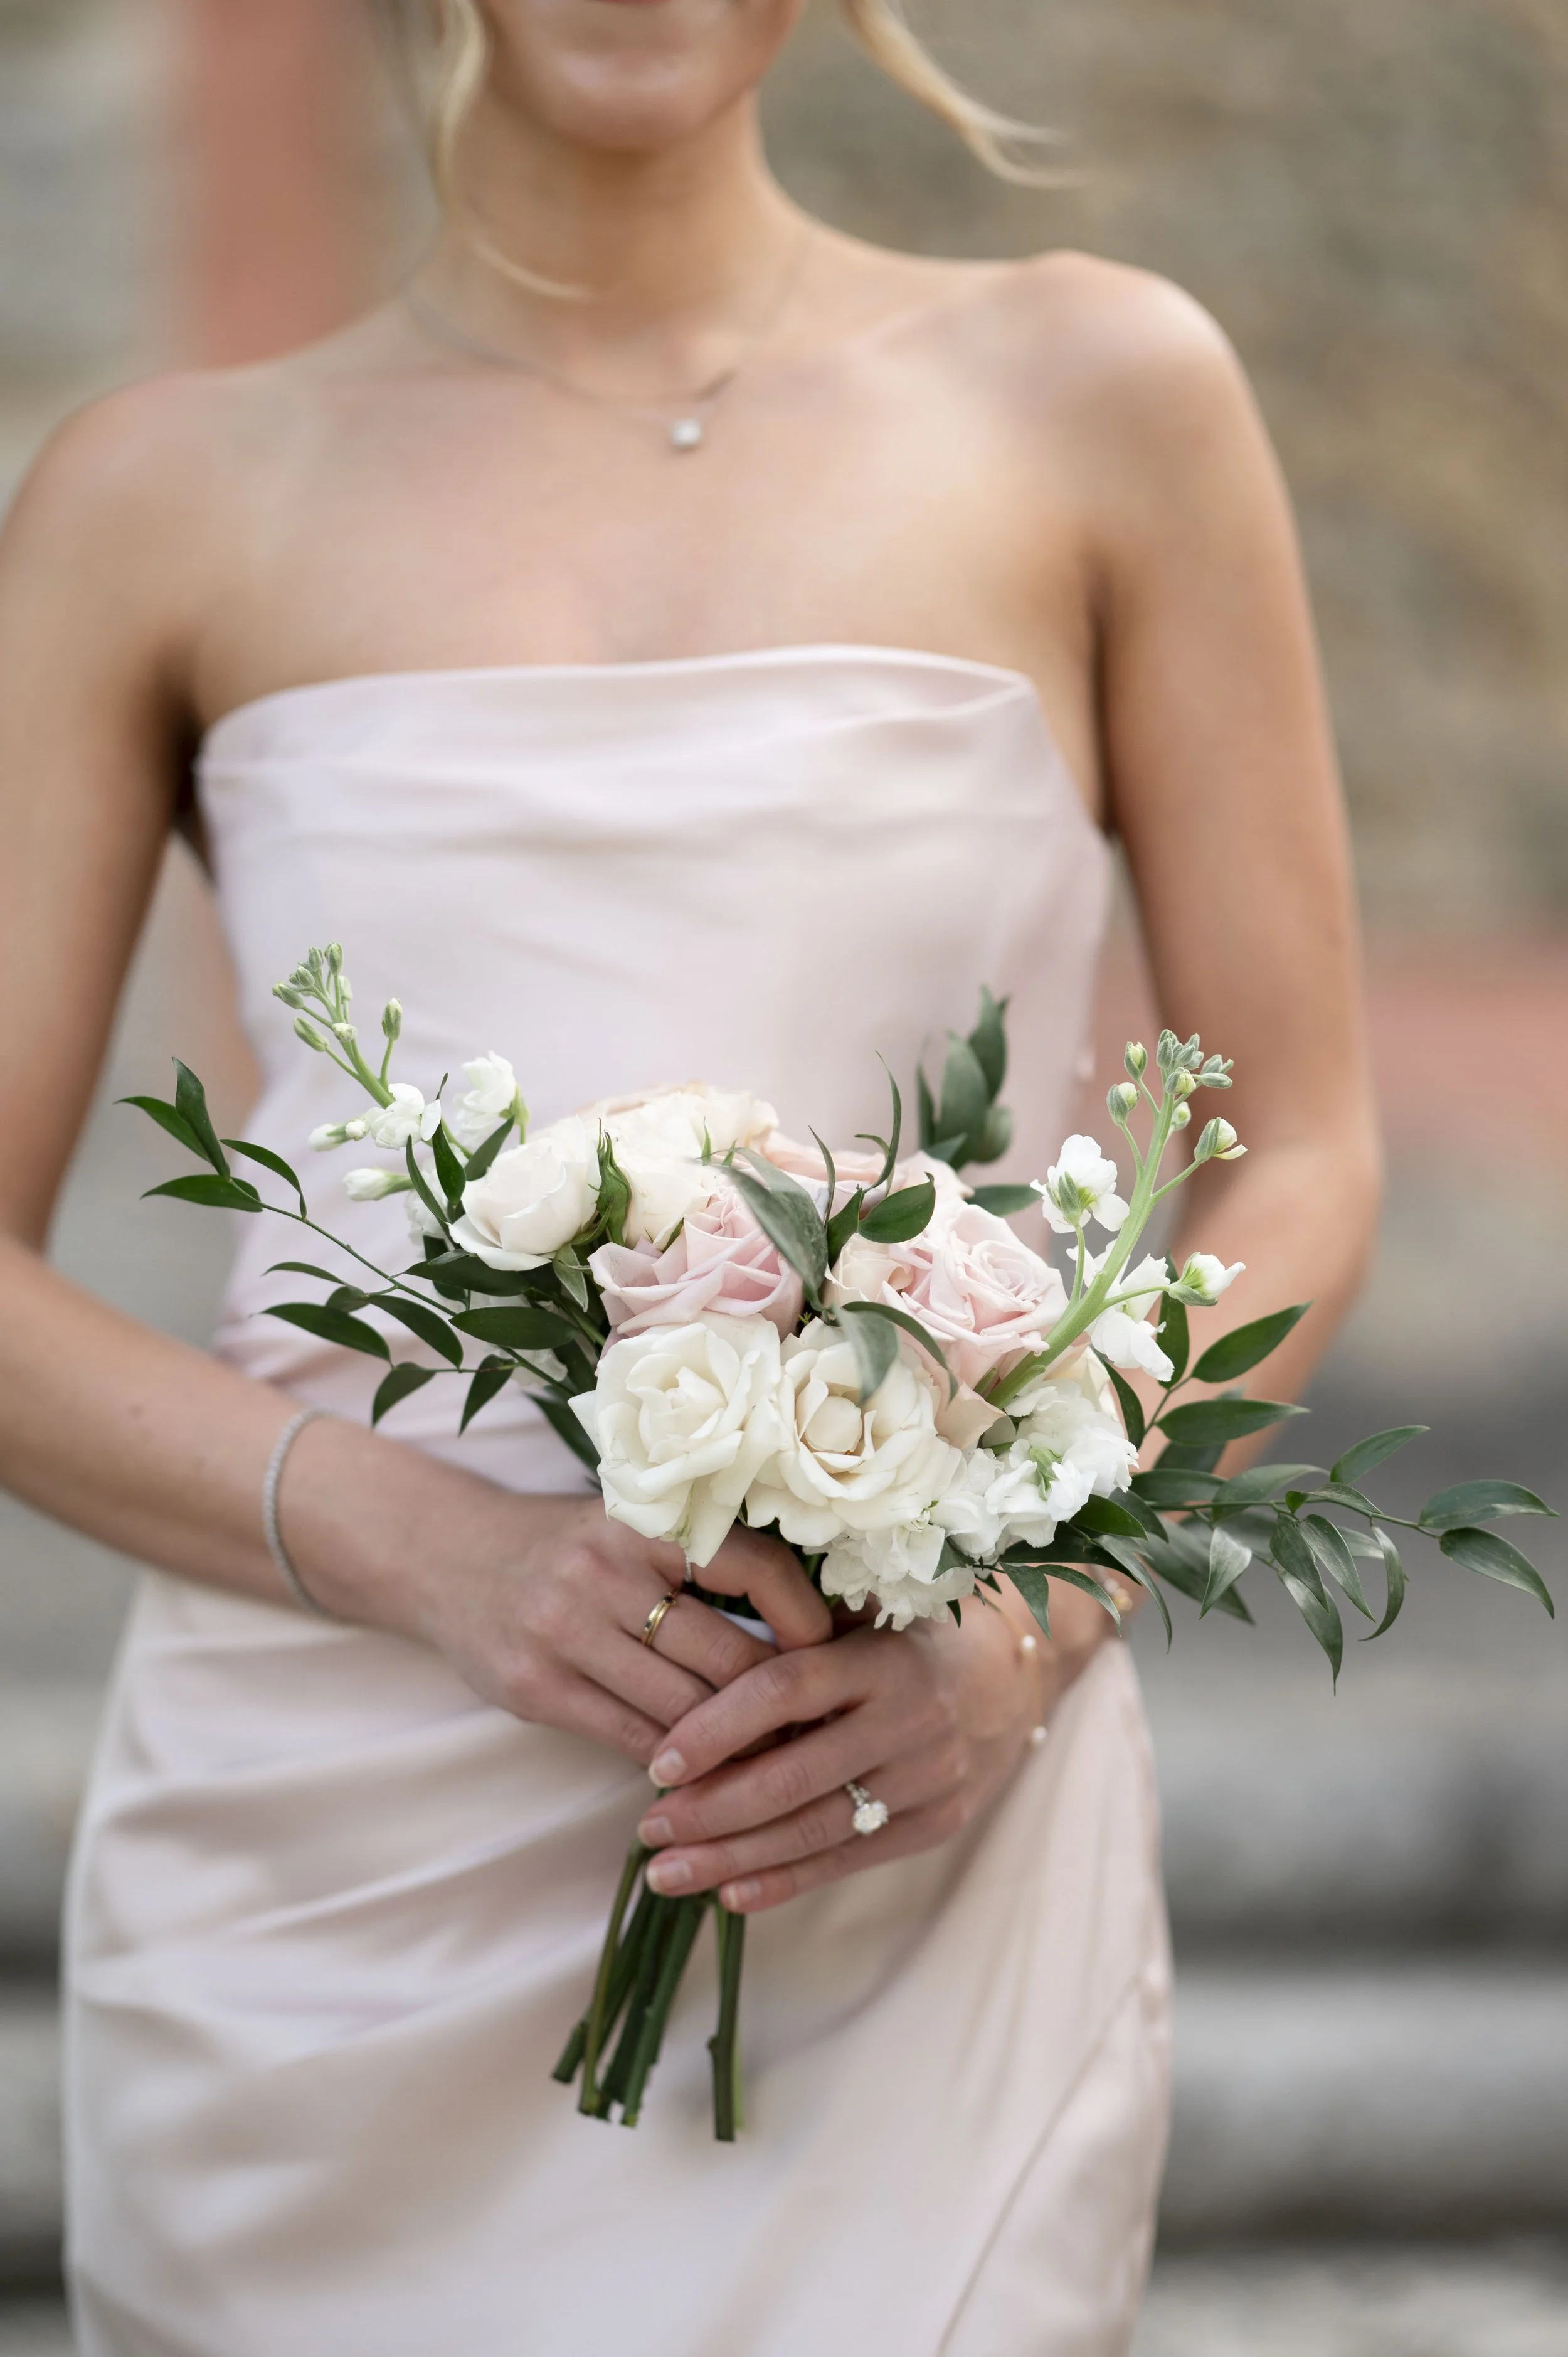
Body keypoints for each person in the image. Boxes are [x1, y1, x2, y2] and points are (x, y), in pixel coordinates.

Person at [0, 2, 1380, 2349]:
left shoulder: (1100, 394)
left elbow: (1306, 1138)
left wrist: (1021, 1633)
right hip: (328, 1875)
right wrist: (433, 1550)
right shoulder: (158, 493)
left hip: (903, 1826)